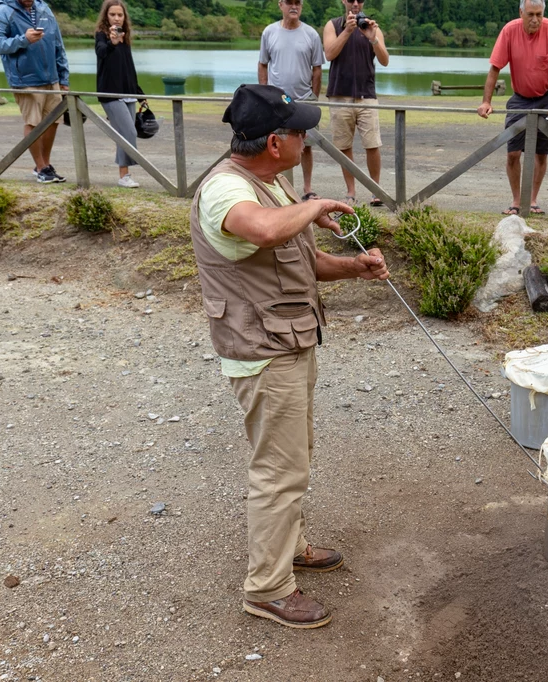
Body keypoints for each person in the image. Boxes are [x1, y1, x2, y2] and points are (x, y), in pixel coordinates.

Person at [189, 84, 389, 628]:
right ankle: (268, 587)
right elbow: (263, 230)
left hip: (289, 341)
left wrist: (354, 267)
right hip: (262, 348)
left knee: (293, 454)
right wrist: (315, 205)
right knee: (278, 469)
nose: (307, 139)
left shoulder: (268, 182)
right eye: (300, 132)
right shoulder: (226, 191)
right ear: (276, 141)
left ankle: (290, 548)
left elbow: (300, 258)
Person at [478, 0, 548, 217]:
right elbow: (494, 68)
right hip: (520, 98)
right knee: (512, 152)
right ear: (521, 12)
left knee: (541, 152)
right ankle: (517, 200)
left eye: (539, 14)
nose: (535, 19)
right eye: (530, 14)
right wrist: (486, 101)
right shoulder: (509, 30)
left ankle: (533, 199)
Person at [0, 0, 69, 184]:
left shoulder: (44, 8)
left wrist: (63, 76)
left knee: (53, 121)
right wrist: (23, 40)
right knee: (33, 122)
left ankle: (45, 166)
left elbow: (58, 43)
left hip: (52, 78)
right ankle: (40, 167)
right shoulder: (3, 11)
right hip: (25, 79)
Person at [323, 0, 389, 206]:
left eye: (359, 0)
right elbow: (329, 54)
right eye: (351, 0)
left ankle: (375, 189)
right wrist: (347, 31)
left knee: (372, 144)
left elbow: (385, 60)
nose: (355, 4)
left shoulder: (372, 27)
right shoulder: (332, 25)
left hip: (366, 95)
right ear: (344, 1)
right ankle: (351, 191)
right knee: (344, 146)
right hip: (339, 95)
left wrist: (373, 39)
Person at [259, 0, 325, 200]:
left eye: (297, 3)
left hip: (304, 99)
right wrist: (264, 93)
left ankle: (307, 188)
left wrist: (313, 97)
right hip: (277, 101)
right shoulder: (269, 32)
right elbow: (262, 64)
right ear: (280, 5)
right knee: (275, 144)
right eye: (289, 2)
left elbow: (317, 69)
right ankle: (277, 186)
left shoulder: (311, 34)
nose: (293, 6)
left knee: (307, 146)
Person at [95, 0, 143, 189]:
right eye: (113, 14)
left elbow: (128, 66)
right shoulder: (101, 35)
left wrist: (138, 91)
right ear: (106, 16)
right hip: (110, 93)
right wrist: (112, 43)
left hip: (128, 92)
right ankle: (126, 174)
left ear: (124, 17)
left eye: (120, 15)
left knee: (125, 133)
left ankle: (124, 175)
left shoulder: (126, 36)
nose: (116, 18)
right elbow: (101, 52)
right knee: (128, 133)